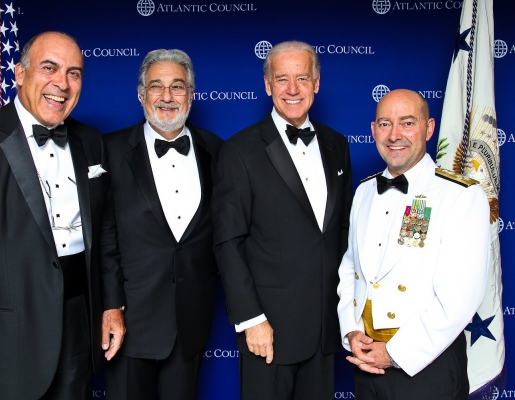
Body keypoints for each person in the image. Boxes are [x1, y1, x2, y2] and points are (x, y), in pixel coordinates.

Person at [0, 31, 124, 400]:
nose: (61, 83)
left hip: (79, 327)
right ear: (19, 73)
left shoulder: (90, 141)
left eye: (74, 73)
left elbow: (104, 233)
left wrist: (110, 304)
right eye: (50, 68)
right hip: (2, 340)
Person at [212, 40, 353, 399]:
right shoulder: (239, 151)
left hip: (324, 329)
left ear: (317, 83)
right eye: (283, 79)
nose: (293, 89)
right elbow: (228, 242)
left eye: (302, 78)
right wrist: (251, 319)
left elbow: (339, 233)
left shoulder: (337, 144)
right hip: (268, 330)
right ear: (267, 85)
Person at [337, 89, 490, 399]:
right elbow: (350, 269)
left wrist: (395, 353)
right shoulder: (364, 192)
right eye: (385, 123)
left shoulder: (460, 195)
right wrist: (351, 331)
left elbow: (462, 296)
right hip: (366, 362)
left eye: (407, 123)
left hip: (424, 363)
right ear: (373, 130)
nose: (395, 135)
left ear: (429, 128)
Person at [102, 49, 222, 400]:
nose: (167, 97)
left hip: (190, 323)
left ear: (191, 94)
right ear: (141, 94)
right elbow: (103, 236)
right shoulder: (107, 151)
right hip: (127, 322)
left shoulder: (218, 151)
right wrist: (110, 306)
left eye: (177, 87)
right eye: (156, 87)